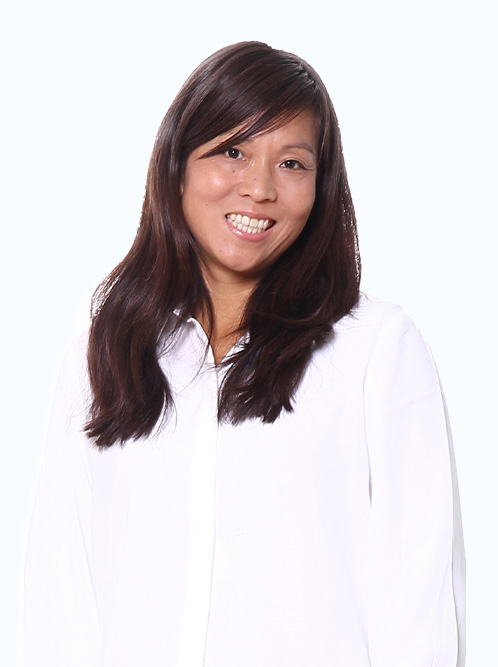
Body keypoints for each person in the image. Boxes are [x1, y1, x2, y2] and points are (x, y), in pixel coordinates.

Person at [24, 41, 465, 666]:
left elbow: (420, 602)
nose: (260, 188)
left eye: (292, 163)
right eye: (233, 151)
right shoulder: (101, 358)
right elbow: (61, 599)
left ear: (321, 188)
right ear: (178, 164)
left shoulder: (376, 349)